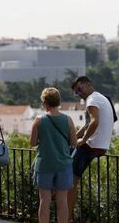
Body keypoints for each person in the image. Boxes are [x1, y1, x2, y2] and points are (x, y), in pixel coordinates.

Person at [68, 76, 114, 222]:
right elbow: (88, 125)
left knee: (71, 181)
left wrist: (84, 140)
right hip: (101, 146)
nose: (78, 93)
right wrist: (74, 138)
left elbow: (95, 122)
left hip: (91, 145)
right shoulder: (99, 97)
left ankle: (67, 218)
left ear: (88, 85)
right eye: (76, 92)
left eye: (79, 89)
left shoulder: (92, 100)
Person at [30, 87, 77, 223]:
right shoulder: (68, 120)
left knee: (44, 200)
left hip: (44, 163)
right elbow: (73, 142)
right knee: (62, 200)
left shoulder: (39, 120)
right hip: (63, 165)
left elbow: (32, 142)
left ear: (45, 102)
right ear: (58, 101)